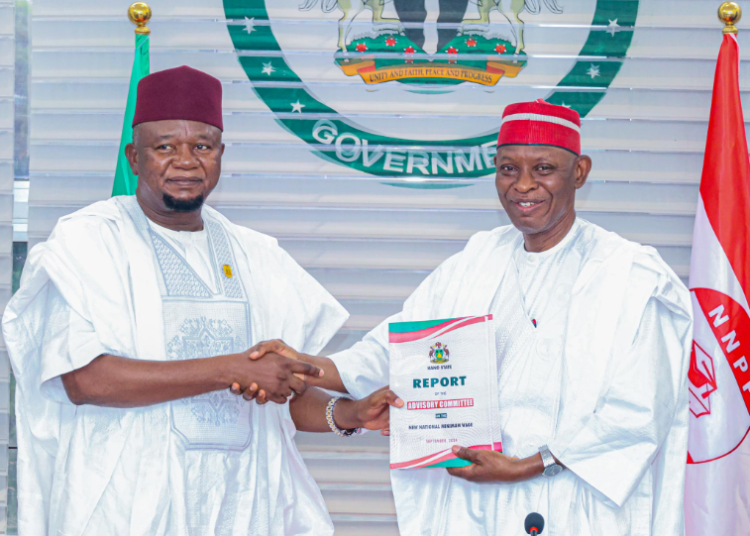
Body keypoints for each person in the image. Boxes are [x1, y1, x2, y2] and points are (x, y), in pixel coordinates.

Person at [247, 100, 693, 535]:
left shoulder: (631, 275)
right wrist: (301, 364)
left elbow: (641, 412)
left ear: (579, 172)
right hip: (478, 506)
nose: (523, 185)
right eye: (507, 169)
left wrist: (527, 466)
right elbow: (397, 351)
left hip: (576, 503)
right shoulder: (479, 258)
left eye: (543, 169)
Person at [3, 65, 401, 536]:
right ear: (134, 157)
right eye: (165, 146)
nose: (186, 161)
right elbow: (86, 380)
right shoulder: (87, 244)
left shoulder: (257, 255)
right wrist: (230, 368)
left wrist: (347, 413)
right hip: (127, 507)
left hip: (246, 506)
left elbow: (277, 394)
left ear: (221, 155)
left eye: (202, 146)